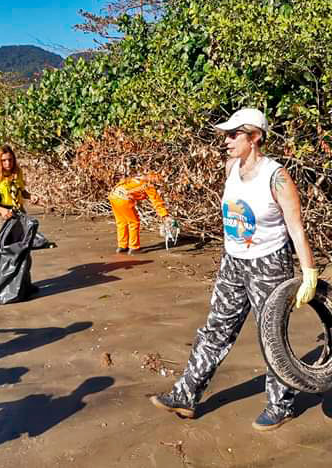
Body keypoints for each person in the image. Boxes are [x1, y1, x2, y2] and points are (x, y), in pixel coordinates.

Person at [150, 108, 320, 431]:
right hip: (233, 263)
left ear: (254, 137)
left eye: (233, 135)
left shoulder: (278, 178)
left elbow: (296, 228)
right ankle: (186, 394)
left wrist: (309, 273)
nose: (226, 141)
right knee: (216, 328)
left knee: (271, 337)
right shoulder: (232, 168)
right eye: (226, 135)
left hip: (269, 264)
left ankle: (281, 405)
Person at [108, 172, 172, 254]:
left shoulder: (137, 178)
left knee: (121, 222)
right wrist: (164, 215)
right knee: (134, 222)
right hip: (123, 199)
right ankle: (134, 248)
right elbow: (156, 201)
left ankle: (122, 246)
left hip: (113, 196)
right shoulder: (148, 185)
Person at [0, 145, 30, 242]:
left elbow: (22, 191)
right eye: (4, 160)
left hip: (17, 210)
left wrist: (32, 196)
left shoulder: (17, 171)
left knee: (22, 243)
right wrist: (2, 211)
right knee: (2, 245)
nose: (8, 163)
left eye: (10, 160)